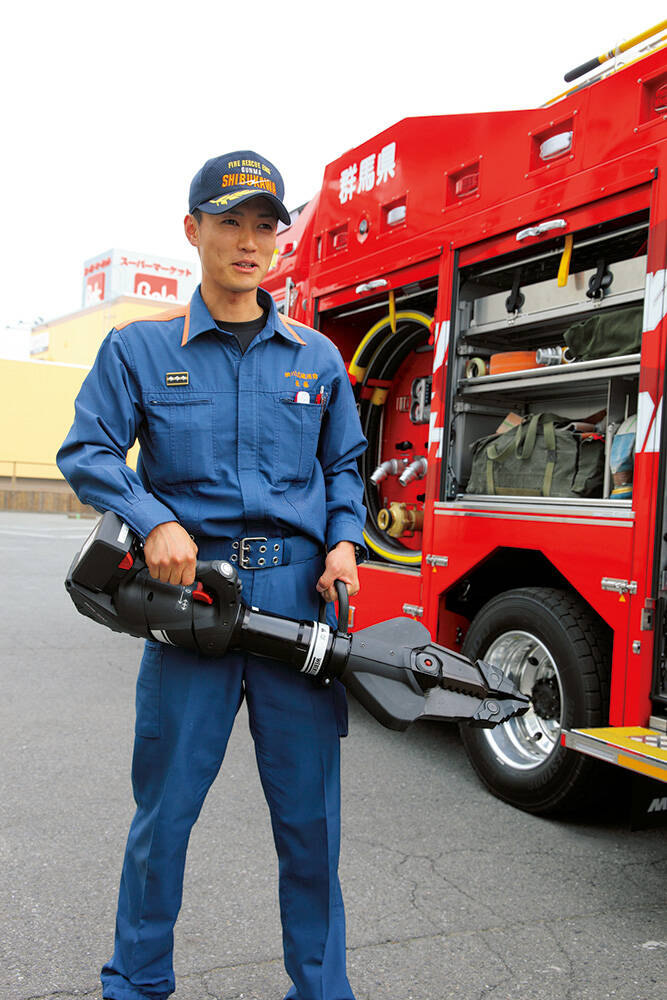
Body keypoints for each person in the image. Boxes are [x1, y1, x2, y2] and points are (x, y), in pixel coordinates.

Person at [57, 150, 367, 1000]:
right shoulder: (141, 351)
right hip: (189, 604)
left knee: (310, 828)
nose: (248, 240)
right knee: (165, 820)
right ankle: (137, 983)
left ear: (278, 241)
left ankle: (322, 990)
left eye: (265, 224)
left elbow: (345, 464)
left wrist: (344, 541)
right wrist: (152, 518)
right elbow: (86, 450)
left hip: (297, 600)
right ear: (191, 230)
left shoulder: (316, 357)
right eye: (228, 220)